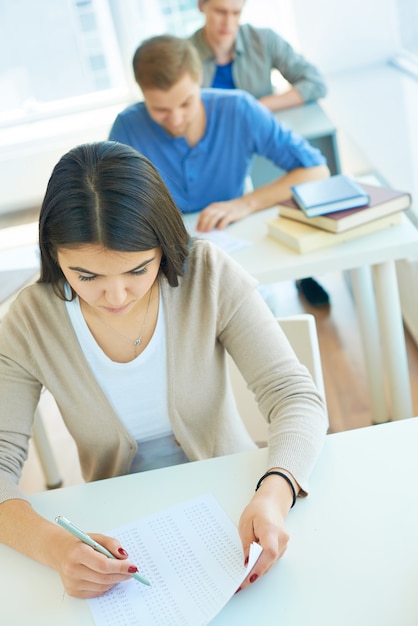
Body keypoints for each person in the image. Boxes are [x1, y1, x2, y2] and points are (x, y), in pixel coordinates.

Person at [0, 141, 327, 599]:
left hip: (236, 496)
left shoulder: (207, 274)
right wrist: (55, 547)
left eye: (137, 269)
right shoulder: (31, 320)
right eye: (87, 276)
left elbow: (294, 395)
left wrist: (275, 492)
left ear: (164, 244)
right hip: (118, 526)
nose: (116, 296)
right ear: (54, 256)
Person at [108, 35, 330, 313]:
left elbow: (316, 170)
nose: (175, 119)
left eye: (186, 103)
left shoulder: (239, 109)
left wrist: (244, 204)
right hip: (165, 266)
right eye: (160, 110)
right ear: (142, 94)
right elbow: (113, 210)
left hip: (238, 252)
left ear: (199, 77)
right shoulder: (127, 127)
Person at [189, 0, 330, 306]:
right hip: (217, 149)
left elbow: (314, 82)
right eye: (220, 11)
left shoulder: (263, 40)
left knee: (286, 195)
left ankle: (304, 274)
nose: (228, 21)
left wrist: (257, 109)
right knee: (224, 216)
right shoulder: (186, 54)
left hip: (257, 139)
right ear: (201, 7)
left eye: (236, 13)